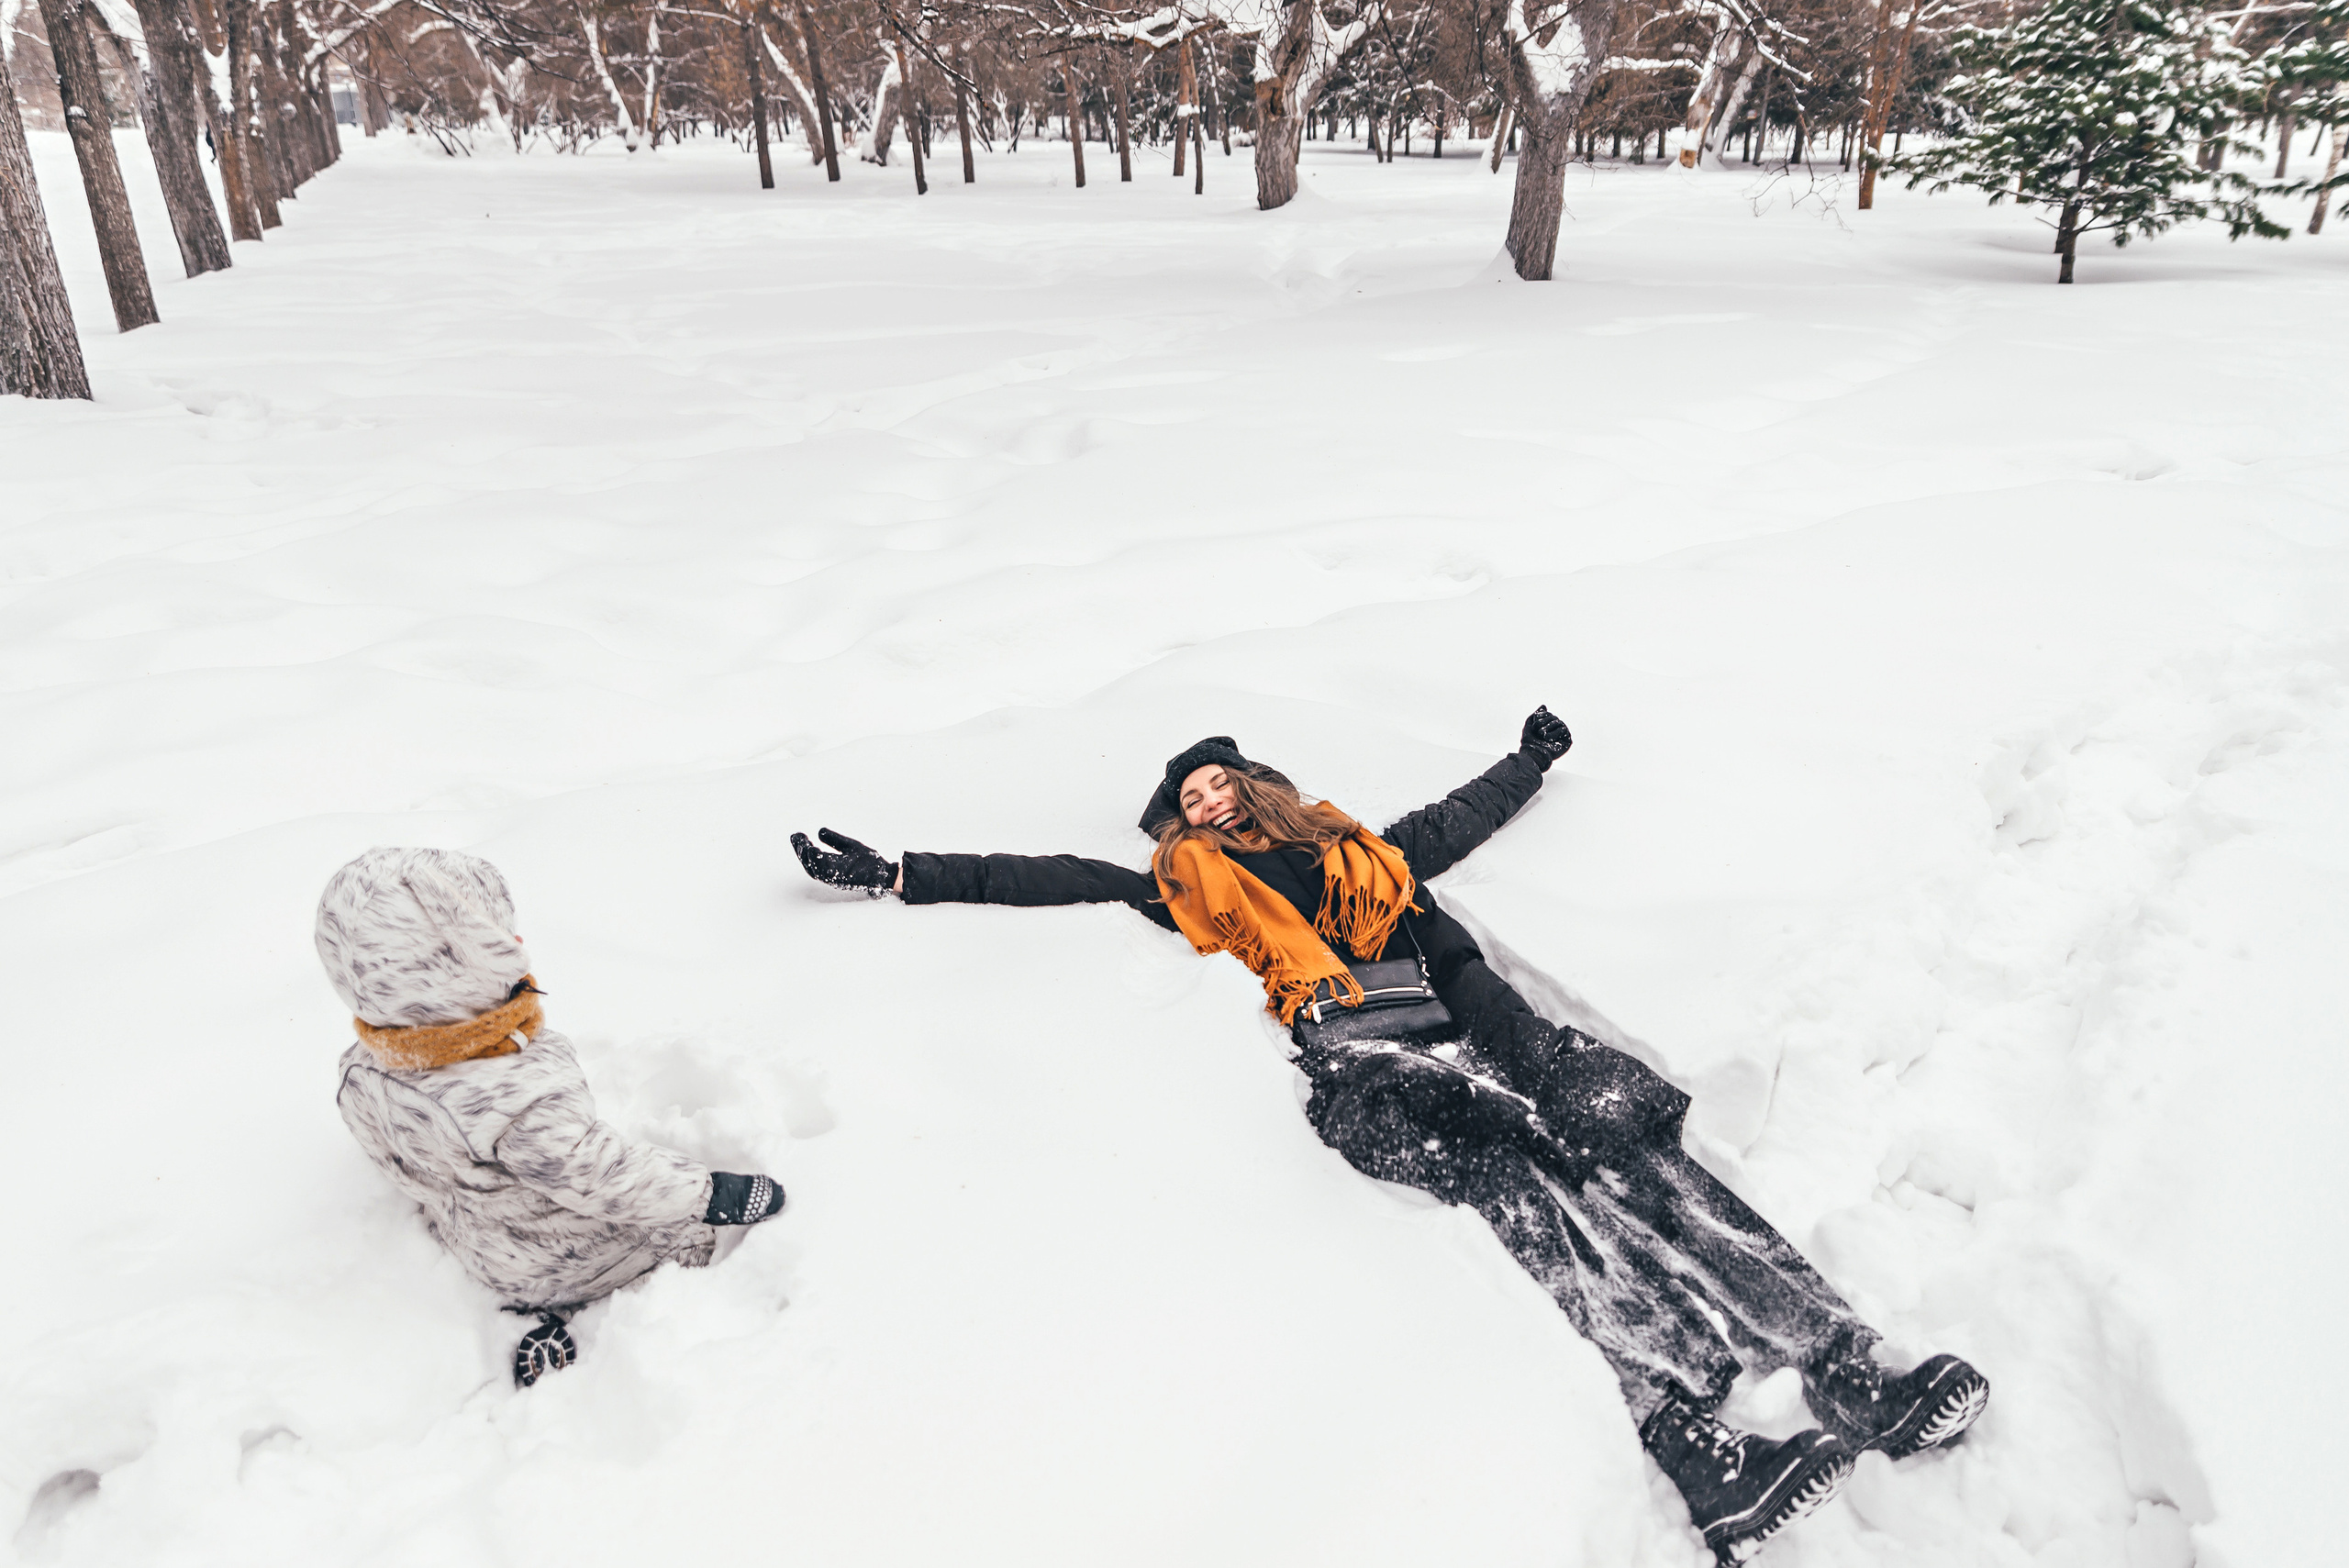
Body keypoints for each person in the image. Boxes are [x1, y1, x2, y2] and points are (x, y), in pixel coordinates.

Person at [791, 711, 1987, 1562]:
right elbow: (1052, 876)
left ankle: (1850, 1366)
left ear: (1256, 783)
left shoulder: (1364, 854)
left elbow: (1457, 818)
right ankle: (1691, 1447)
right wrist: (907, 871)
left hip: (1499, 1045)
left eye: (1218, 785)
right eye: (1187, 805)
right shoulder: (1189, 887)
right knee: (1542, 1223)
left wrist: (1526, 762)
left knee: (1655, 1175)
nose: (1206, 805)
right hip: (1381, 1074)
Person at [317, 847, 787, 1387]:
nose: (517, 944)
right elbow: (600, 1174)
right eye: (492, 941)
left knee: (516, 1240)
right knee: (680, 1238)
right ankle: (594, 1299)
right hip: (573, 1251)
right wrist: (707, 1193)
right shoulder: (516, 1096)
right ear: (455, 971)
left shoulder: (366, 1069)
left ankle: (528, 1315)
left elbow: (395, 1158)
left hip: (476, 1242)